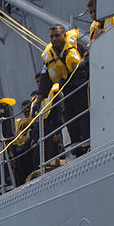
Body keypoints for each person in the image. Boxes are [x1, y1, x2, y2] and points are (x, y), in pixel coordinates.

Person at [39, 24, 90, 157]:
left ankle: (88, 143)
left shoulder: (76, 46)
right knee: (70, 119)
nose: (54, 39)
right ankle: (77, 147)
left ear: (64, 35)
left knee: (84, 116)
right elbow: (45, 78)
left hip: (81, 87)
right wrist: (40, 96)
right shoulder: (49, 57)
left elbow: (89, 62)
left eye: (57, 35)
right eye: (51, 36)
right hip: (66, 92)